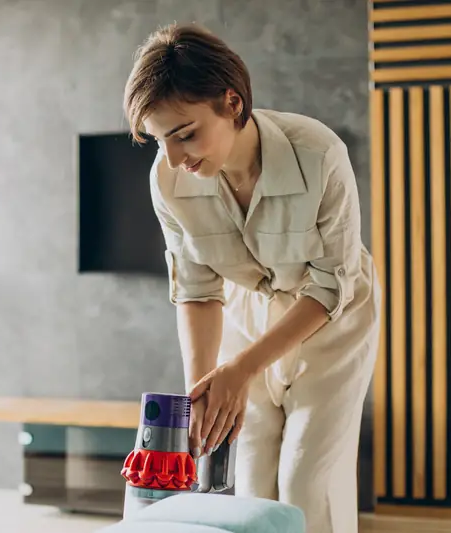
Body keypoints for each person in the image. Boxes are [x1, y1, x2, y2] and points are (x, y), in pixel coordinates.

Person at [123, 23, 381, 533]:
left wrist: (239, 371)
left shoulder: (319, 154)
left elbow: (331, 286)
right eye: (159, 140)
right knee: (250, 475)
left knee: (309, 478)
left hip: (331, 315)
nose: (174, 158)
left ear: (232, 103)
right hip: (246, 312)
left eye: (186, 134)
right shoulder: (167, 178)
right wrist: (203, 393)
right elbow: (196, 290)